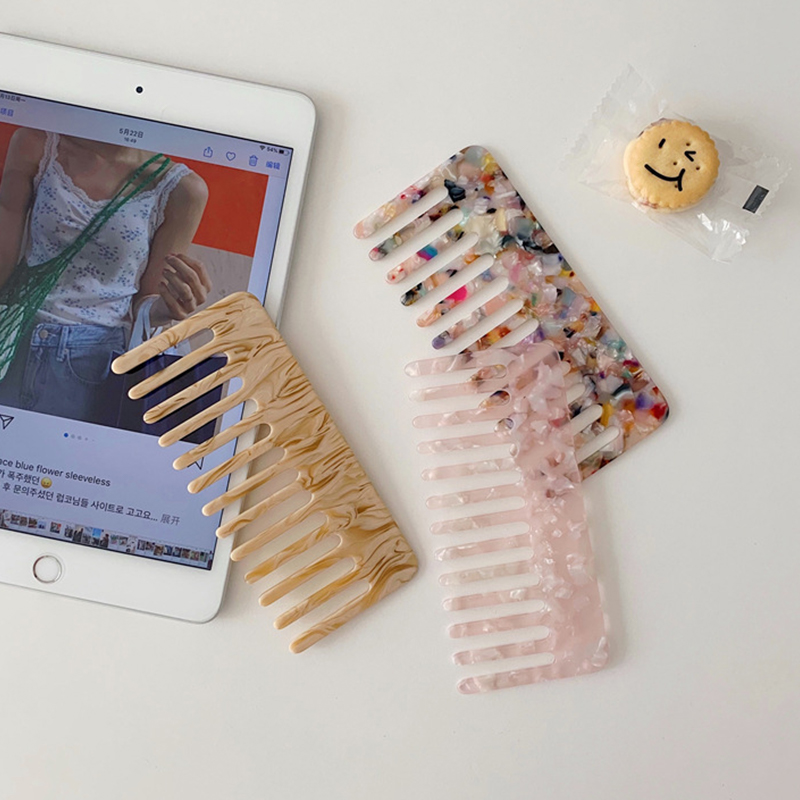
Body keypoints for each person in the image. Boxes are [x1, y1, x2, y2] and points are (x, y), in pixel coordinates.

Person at [0, 128, 212, 424]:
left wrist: (169, 307)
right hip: (15, 338)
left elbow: (145, 305)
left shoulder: (180, 189)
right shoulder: (37, 145)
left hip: (96, 360)